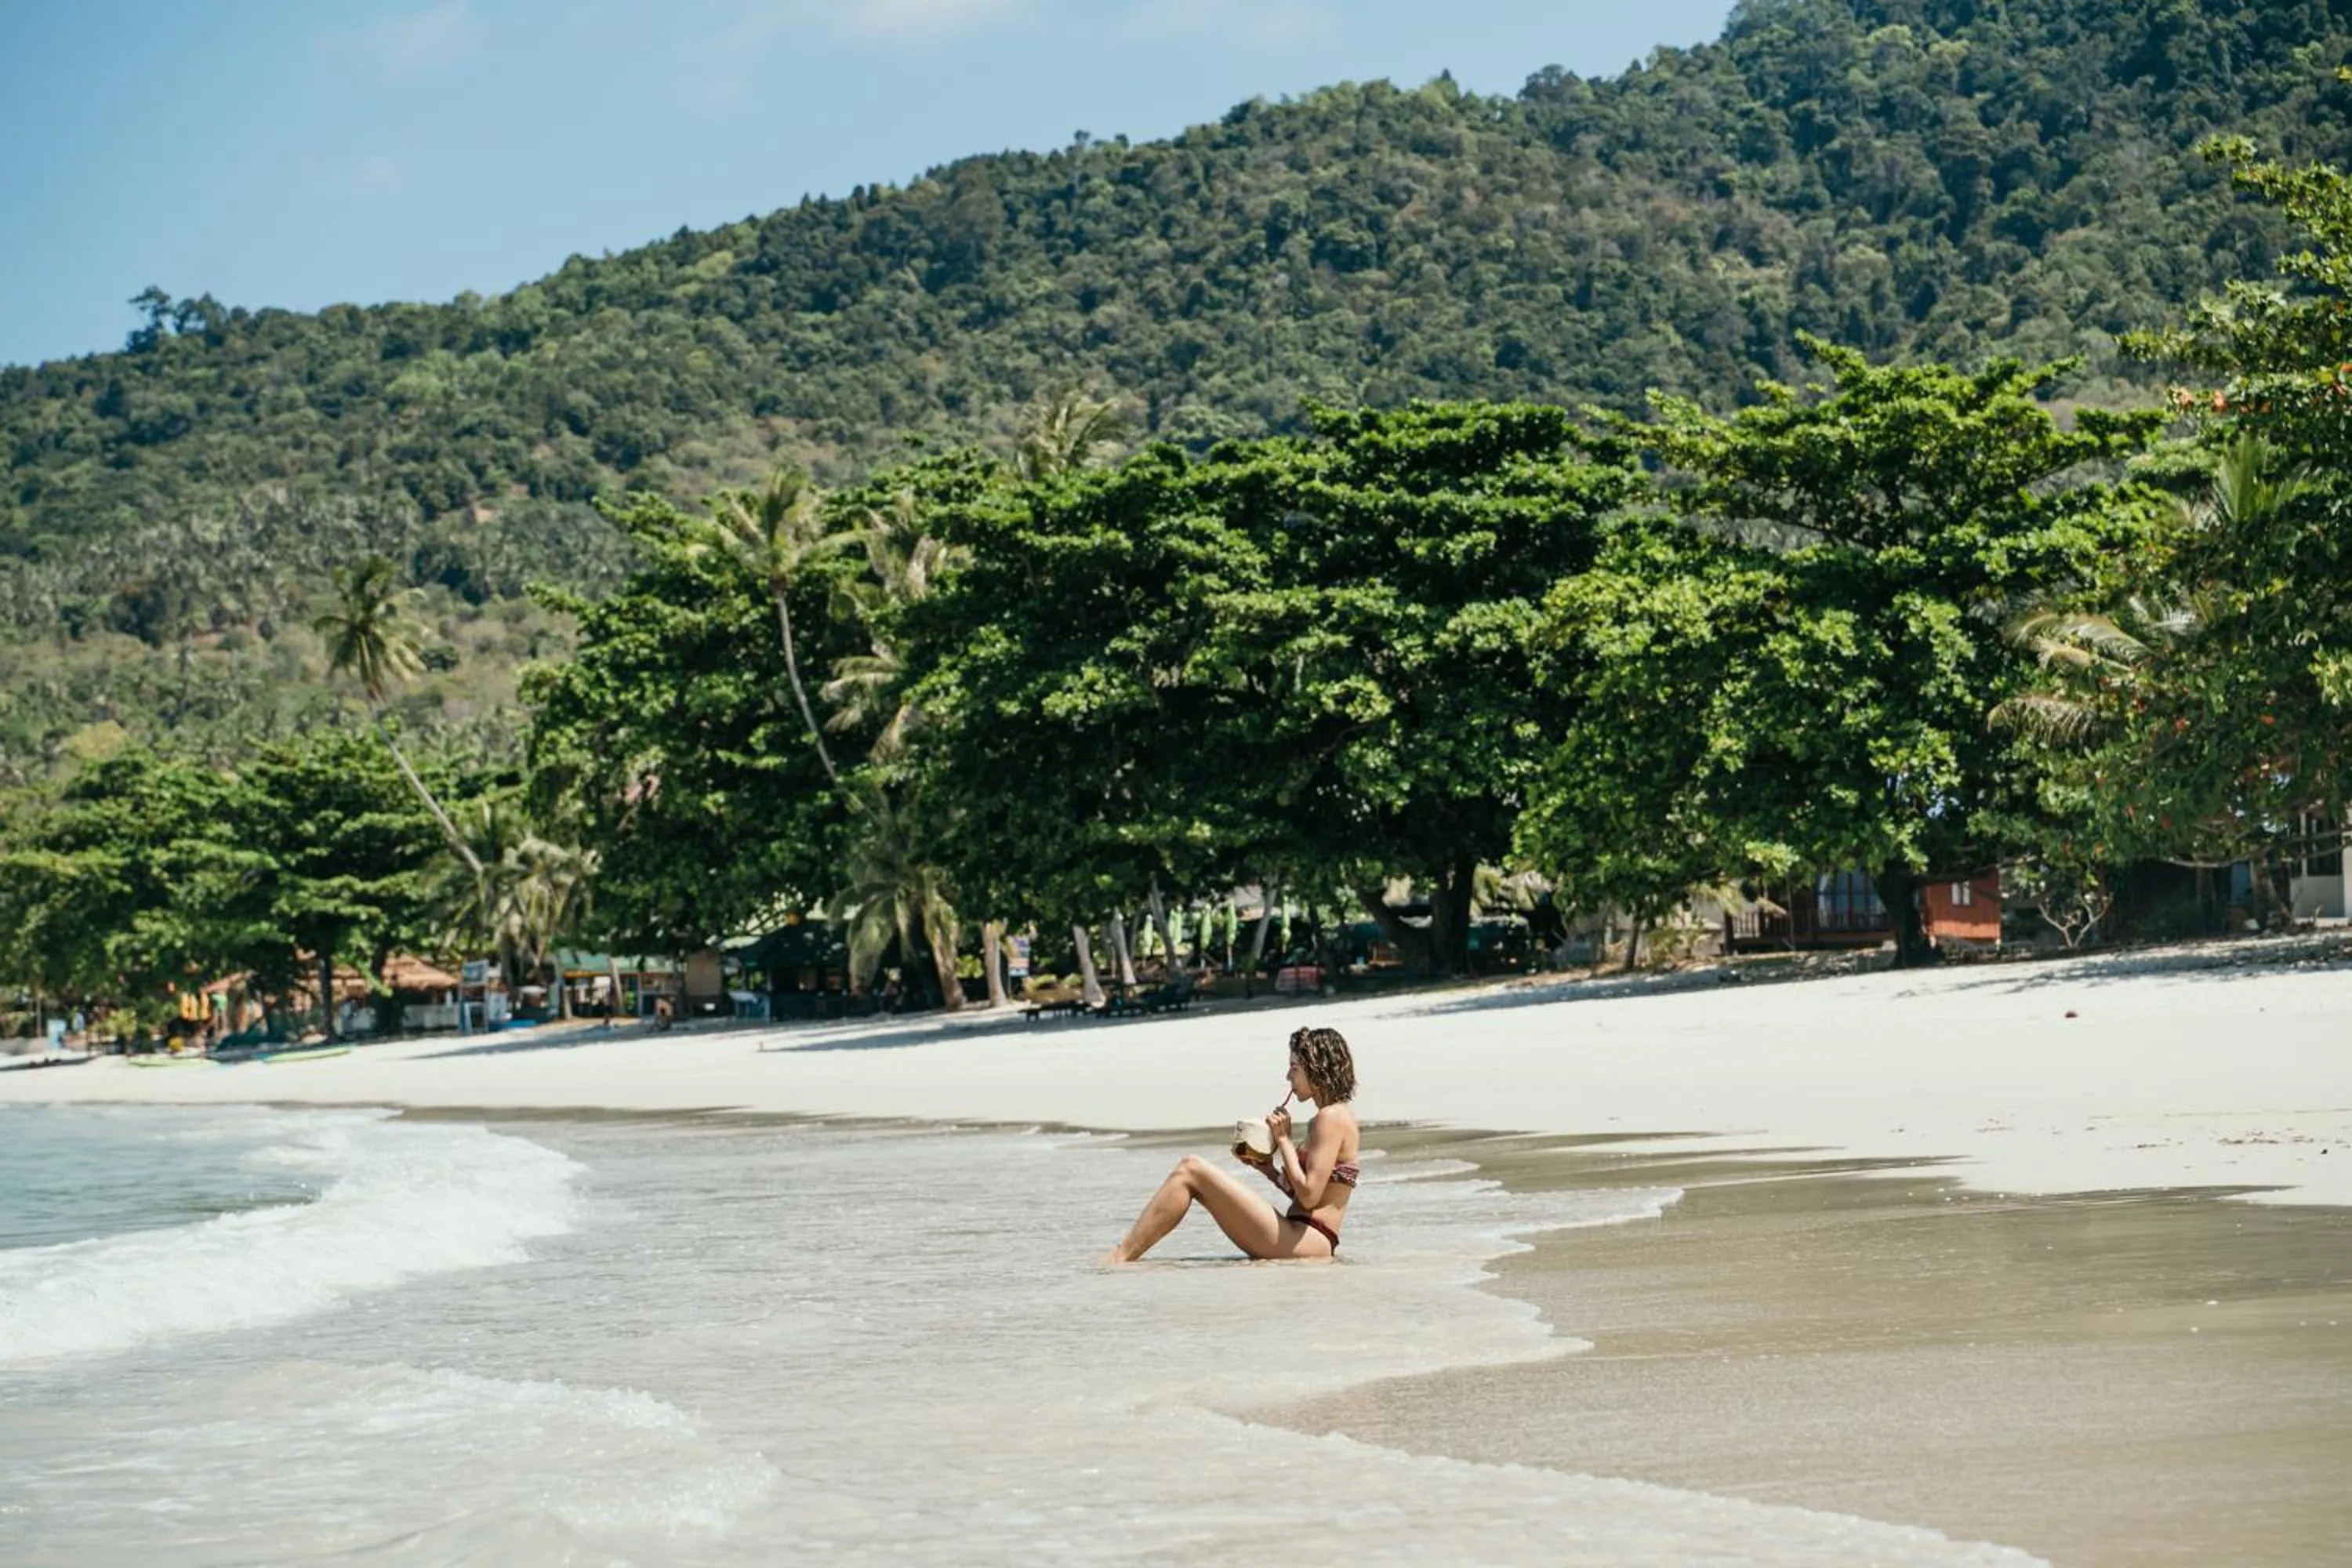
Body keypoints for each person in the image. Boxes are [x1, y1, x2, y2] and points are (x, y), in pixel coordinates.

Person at [1105, 1025, 1359, 1264]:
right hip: (1301, 1237)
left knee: (1190, 1169)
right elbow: (1309, 1196)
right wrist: (1268, 1170)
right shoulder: (1333, 1116)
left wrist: (1283, 1140)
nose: (1288, 1076)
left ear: (1317, 1068)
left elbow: (1309, 1196)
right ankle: (1123, 1257)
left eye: (1294, 1068)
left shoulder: (1331, 1118)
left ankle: (1118, 1259)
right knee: (1193, 1177)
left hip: (1306, 1241)